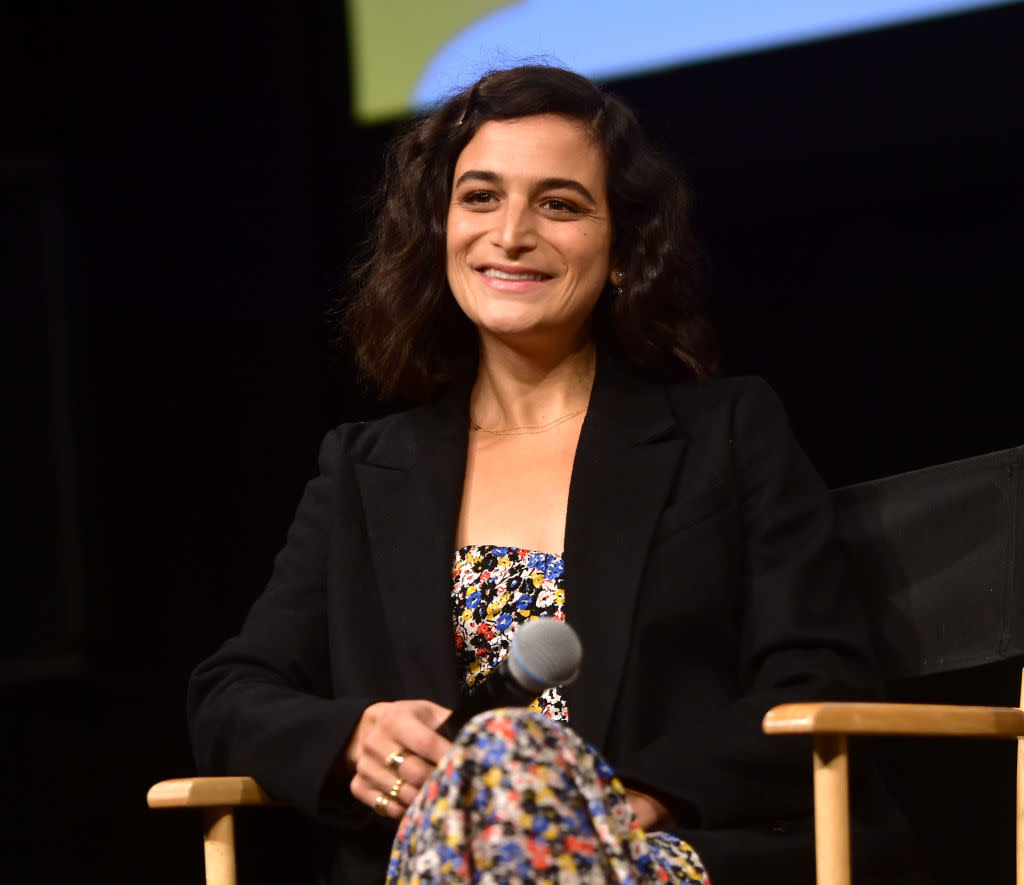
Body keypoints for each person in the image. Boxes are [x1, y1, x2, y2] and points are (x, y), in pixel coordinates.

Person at [188, 65, 920, 884]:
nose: (510, 234)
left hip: (657, 852)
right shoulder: (362, 470)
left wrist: (632, 796)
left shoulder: (727, 433)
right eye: (480, 197)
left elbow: (819, 677)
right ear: (440, 231)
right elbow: (230, 693)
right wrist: (350, 736)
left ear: (620, 250)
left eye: (559, 203)